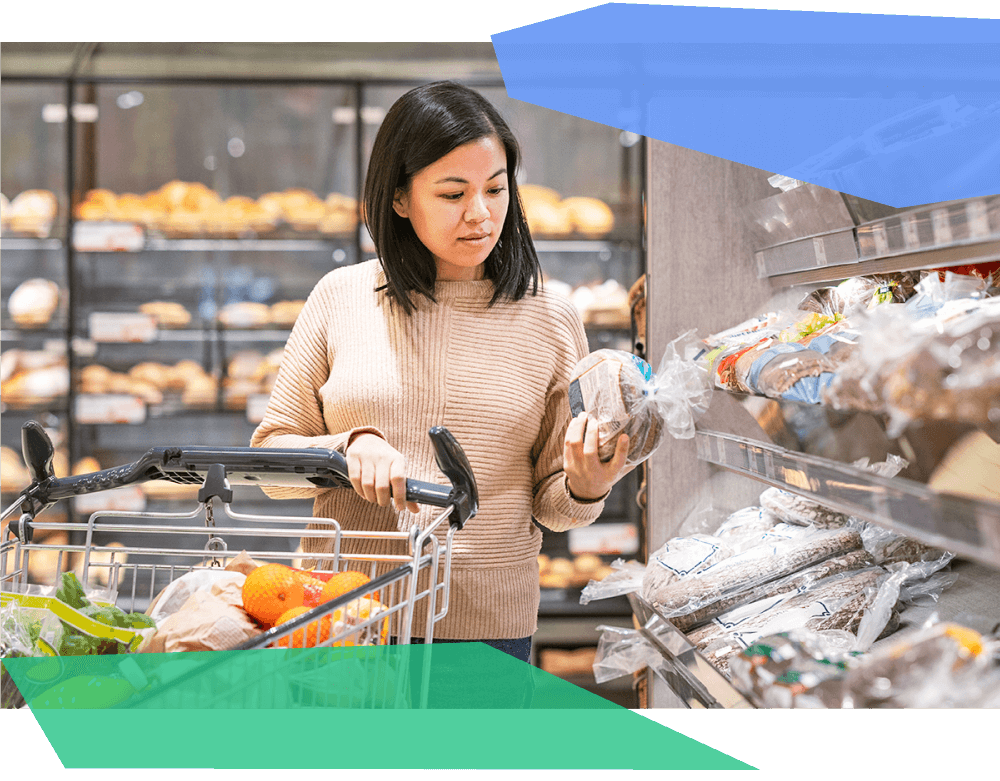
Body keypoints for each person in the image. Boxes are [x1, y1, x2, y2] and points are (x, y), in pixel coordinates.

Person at [250, 81, 632, 666]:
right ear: (400, 198)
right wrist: (346, 449)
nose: (481, 214)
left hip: (486, 633)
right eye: (453, 193)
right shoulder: (342, 297)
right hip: (341, 618)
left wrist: (588, 483)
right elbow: (271, 463)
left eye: (496, 189)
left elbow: (552, 505)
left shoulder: (550, 319)